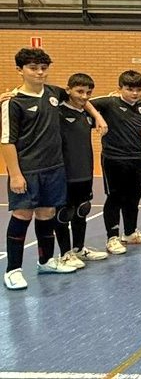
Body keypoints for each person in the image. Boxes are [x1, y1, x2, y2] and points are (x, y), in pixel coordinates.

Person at [4, 49, 79, 289]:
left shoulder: (54, 93)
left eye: (43, 68)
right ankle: (13, 269)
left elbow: (82, 99)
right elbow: (6, 141)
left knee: (46, 214)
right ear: (20, 70)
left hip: (54, 168)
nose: (39, 72)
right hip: (27, 171)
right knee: (22, 215)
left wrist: (98, 117)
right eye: (33, 68)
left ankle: (45, 261)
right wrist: (15, 174)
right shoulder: (13, 102)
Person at [92, 70, 141, 250]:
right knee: (115, 198)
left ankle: (129, 233)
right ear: (119, 88)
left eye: (138, 89)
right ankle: (112, 237)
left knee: (134, 198)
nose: (134, 93)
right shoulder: (109, 102)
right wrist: (97, 116)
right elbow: (82, 102)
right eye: (129, 89)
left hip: (137, 158)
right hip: (114, 159)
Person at [56, 73, 108, 267]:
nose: (84, 96)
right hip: (64, 172)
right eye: (79, 91)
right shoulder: (57, 110)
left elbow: (89, 104)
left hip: (84, 170)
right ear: (68, 90)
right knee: (64, 213)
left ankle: (79, 248)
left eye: (88, 92)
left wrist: (96, 115)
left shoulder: (86, 112)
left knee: (82, 209)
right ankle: (65, 253)